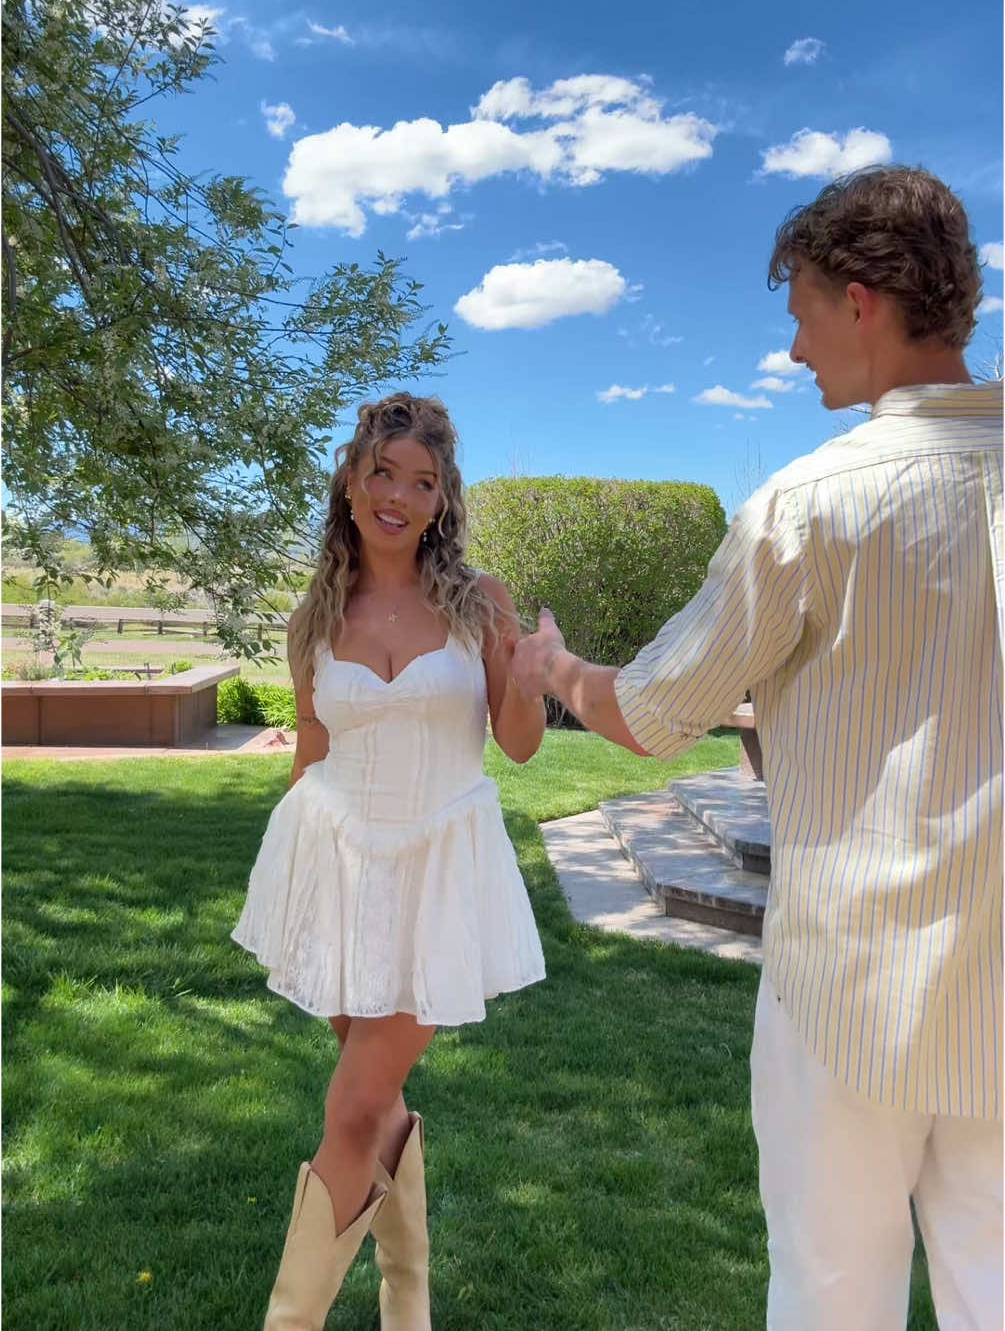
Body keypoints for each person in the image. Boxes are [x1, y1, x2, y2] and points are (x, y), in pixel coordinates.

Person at [512, 166, 1002, 1331]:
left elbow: (648, 713)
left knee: (831, 1304)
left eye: (802, 313)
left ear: (864, 300)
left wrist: (555, 670)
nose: (793, 351)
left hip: (848, 995)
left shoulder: (809, 504)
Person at [233, 392, 547, 1330]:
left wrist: (527, 678)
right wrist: (290, 877)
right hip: (332, 860)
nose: (399, 496)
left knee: (351, 1110)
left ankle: (288, 1321)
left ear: (444, 499)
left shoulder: (477, 600)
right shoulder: (315, 615)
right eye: (384, 473)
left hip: (440, 862)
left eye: (423, 482)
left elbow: (520, 744)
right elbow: (310, 752)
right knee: (377, 1102)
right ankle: (406, 1304)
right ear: (351, 476)